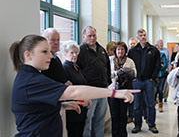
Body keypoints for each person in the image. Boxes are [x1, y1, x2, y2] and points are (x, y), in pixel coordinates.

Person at [9, 34, 139, 137]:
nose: (50, 55)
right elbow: (73, 92)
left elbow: (35, 108)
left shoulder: (32, 77)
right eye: (44, 51)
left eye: (49, 51)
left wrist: (62, 105)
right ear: (28, 54)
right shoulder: (30, 80)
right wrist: (114, 93)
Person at [77, 26, 112, 137]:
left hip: (102, 89)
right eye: (89, 36)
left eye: (94, 35)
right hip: (89, 91)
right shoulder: (80, 51)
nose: (92, 38)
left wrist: (108, 81)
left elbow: (107, 66)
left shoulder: (101, 49)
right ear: (83, 37)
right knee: (87, 119)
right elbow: (78, 71)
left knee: (100, 119)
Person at [128, 29, 161, 134]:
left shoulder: (153, 50)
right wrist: (132, 77)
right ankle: (137, 125)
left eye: (144, 35)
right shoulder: (133, 51)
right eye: (141, 35)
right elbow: (129, 65)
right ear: (137, 37)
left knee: (150, 104)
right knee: (137, 105)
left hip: (149, 81)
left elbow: (157, 65)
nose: (143, 37)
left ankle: (152, 125)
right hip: (137, 81)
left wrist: (153, 77)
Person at [61, 40, 92, 137]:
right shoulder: (65, 68)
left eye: (76, 52)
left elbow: (82, 85)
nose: (74, 55)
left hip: (82, 107)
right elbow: (69, 91)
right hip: (73, 108)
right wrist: (83, 100)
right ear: (65, 54)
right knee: (74, 133)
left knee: (80, 132)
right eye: (71, 53)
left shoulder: (76, 67)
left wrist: (88, 99)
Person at [108, 42, 137, 137]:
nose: (120, 51)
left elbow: (134, 74)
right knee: (114, 115)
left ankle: (123, 134)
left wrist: (123, 73)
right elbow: (106, 73)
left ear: (125, 51)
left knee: (123, 115)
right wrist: (118, 73)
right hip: (112, 91)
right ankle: (115, 134)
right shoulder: (110, 60)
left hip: (125, 91)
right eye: (118, 49)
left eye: (122, 49)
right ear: (115, 51)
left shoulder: (130, 61)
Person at [127, 37, 138, 123]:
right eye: (131, 44)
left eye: (134, 43)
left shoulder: (139, 53)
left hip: (138, 79)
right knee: (130, 99)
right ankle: (131, 116)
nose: (132, 45)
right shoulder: (127, 56)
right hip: (129, 81)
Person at [155, 44, 168, 112]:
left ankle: (160, 105)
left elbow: (165, 65)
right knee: (154, 91)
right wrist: (159, 65)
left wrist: (158, 67)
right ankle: (153, 104)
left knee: (160, 90)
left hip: (162, 75)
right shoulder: (152, 56)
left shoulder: (162, 55)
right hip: (154, 76)